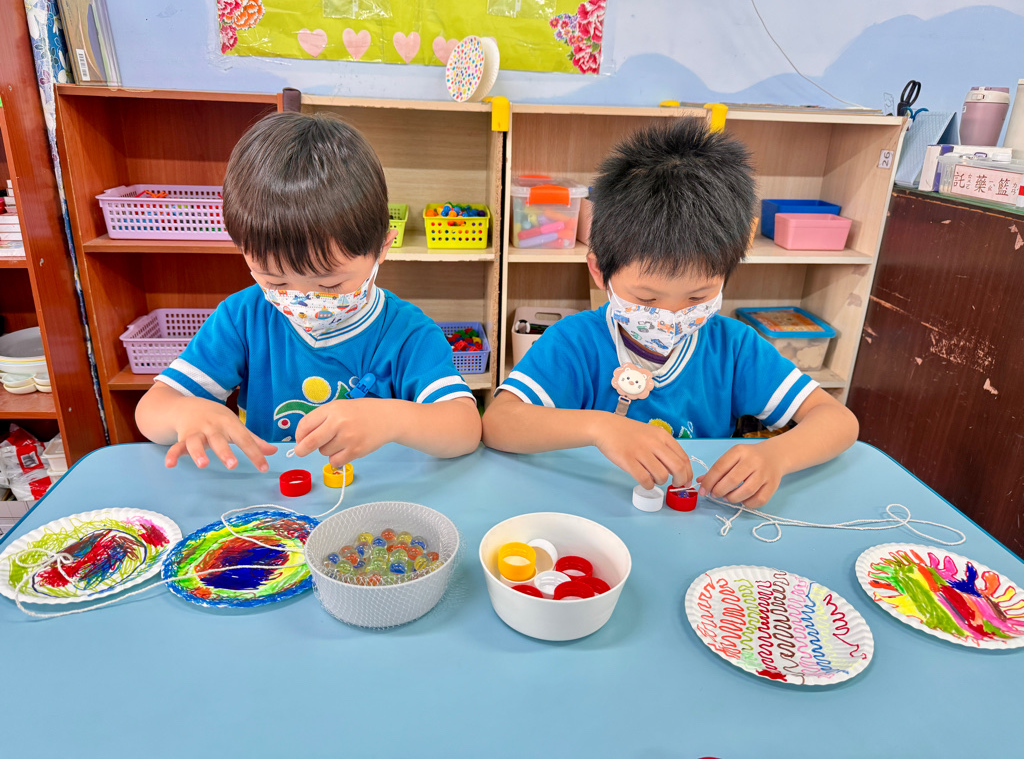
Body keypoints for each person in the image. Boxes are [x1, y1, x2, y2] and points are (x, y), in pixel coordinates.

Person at [482, 117, 858, 508]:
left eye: (698, 297)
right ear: (599, 271)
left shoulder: (734, 348)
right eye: (647, 299)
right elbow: (498, 423)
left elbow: (838, 420)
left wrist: (776, 457)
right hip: (592, 512)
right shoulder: (576, 342)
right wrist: (599, 427)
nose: (671, 316)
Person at [136, 112, 481, 472]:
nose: (303, 300)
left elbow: (465, 429)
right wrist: (186, 413)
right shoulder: (243, 318)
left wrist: (393, 419)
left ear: (383, 247)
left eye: (330, 284)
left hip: (374, 494)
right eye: (275, 281)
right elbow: (152, 408)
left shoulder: (407, 333)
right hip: (271, 495)